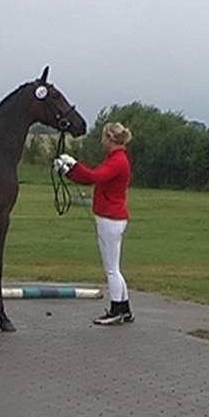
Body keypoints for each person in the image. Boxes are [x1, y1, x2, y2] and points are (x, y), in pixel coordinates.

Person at [54, 122, 134, 325]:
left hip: (110, 217)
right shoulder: (116, 159)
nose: (101, 141)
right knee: (115, 267)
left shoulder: (117, 161)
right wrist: (69, 171)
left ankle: (117, 310)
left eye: (104, 138)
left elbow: (94, 177)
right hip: (113, 216)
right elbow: (90, 178)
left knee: (111, 269)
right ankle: (124, 309)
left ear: (110, 139)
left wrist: (73, 165)